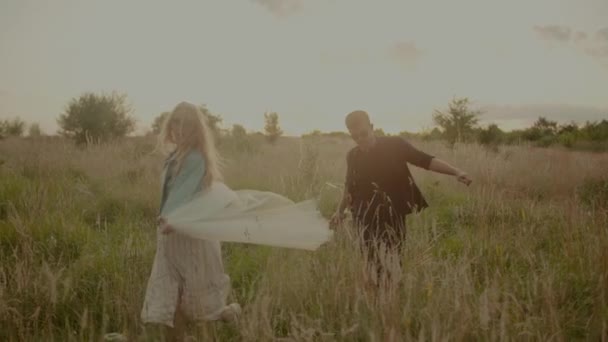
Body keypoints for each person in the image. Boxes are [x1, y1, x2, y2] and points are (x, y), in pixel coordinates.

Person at [330, 110, 472, 284]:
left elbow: (424, 160)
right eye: (355, 137)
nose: (360, 139)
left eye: (363, 134)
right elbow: (348, 186)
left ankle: (392, 299)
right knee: (371, 263)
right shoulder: (352, 156)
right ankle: (376, 300)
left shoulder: (395, 145)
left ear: (372, 127)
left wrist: (456, 171)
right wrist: (339, 211)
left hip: (392, 216)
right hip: (363, 217)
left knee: (392, 262)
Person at [141, 102, 241, 340]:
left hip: (187, 234)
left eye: (186, 123)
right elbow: (169, 192)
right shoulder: (174, 156)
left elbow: (182, 193)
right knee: (172, 297)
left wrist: (170, 218)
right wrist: (165, 218)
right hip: (170, 233)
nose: (180, 128)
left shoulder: (195, 157)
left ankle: (227, 314)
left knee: (192, 301)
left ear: (195, 128)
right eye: (176, 122)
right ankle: (199, 328)